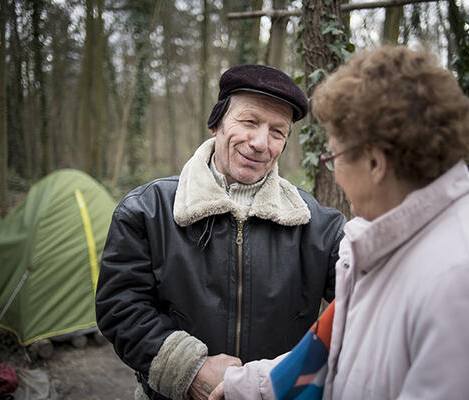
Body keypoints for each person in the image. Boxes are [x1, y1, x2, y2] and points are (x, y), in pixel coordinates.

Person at [210, 45, 469, 400]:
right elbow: (341, 359)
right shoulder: (396, 246)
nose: (336, 175)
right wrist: (245, 387)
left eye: (335, 158)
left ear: (375, 163)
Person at [95, 64, 346, 400]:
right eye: (249, 122)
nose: (261, 143)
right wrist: (189, 368)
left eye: (277, 131)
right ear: (216, 123)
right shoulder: (146, 209)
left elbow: (366, 300)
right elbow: (120, 306)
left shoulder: (320, 226)